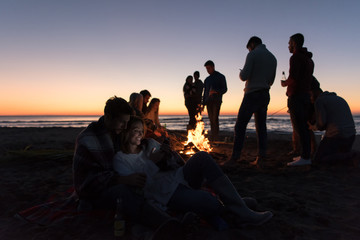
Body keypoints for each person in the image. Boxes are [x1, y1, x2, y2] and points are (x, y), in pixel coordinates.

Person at [113, 116, 273, 228]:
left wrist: (168, 155)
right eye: (136, 130)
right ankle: (237, 204)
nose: (140, 134)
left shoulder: (149, 144)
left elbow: (170, 164)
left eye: (142, 130)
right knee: (207, 201)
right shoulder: (120, 159)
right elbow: (139, 186)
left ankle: (242, 210)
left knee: (202, 156)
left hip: (178, 176)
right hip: (164, 194)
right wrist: (152, 161)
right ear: (126, 133)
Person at [72, 96, 182, 239]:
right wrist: (122, 179)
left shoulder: (115, 132)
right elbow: (89, 182)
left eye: (127, 122)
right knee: (124, 192)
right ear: (108, 116)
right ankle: (166, 224)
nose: (125, 127)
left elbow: (134, 140)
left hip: (117, 178)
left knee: (148, 182)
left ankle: (170, 215)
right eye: (122, 122)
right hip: (94, 192)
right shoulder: (89, 139)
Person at [224, 36, 277, 167]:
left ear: (252, 44)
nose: (248, 51)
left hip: (252, 94)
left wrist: (241, 72)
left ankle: (235, 158)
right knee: (261, 127)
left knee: (240, 125)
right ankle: (261, 157)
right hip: (265, 93)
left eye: (248, 48)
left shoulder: (253, 54)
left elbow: (244, 76)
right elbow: (271, 80)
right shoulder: (273, 57)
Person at [281, 33, 314, 166]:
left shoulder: (295, 58)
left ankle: (305, 158)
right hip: (306, 96)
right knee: (304, 127)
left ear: (294, 43)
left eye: (289, 43)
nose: (288, 46)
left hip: (297, 96)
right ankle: (304, 155)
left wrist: (284, 84)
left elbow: (293, 78)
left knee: (300, 128)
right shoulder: (309, 59)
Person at [309, 81, 357, 165]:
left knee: (318, 160)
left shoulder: (319, 101)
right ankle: (345, 153)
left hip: (337, 136)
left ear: (315, 92)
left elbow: (321, 125)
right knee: (333, 153)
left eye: (310, 95)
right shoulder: (339, 98)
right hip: (351, 136)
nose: (310, 99)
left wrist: (312, 127)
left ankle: (351, 155)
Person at [202, 60, 227, 142]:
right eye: (206, 69)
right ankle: (213, 136)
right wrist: (203, 103)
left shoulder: (221, 76)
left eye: (208, 68)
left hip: (216, 100)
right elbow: (205, 92)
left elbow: (225, 89)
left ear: (213, 67)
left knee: (215, 119)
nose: (207, 70)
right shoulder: (207, 79)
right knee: (211, 120)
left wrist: (216, 91)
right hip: (208, 101)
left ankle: (216, 137)